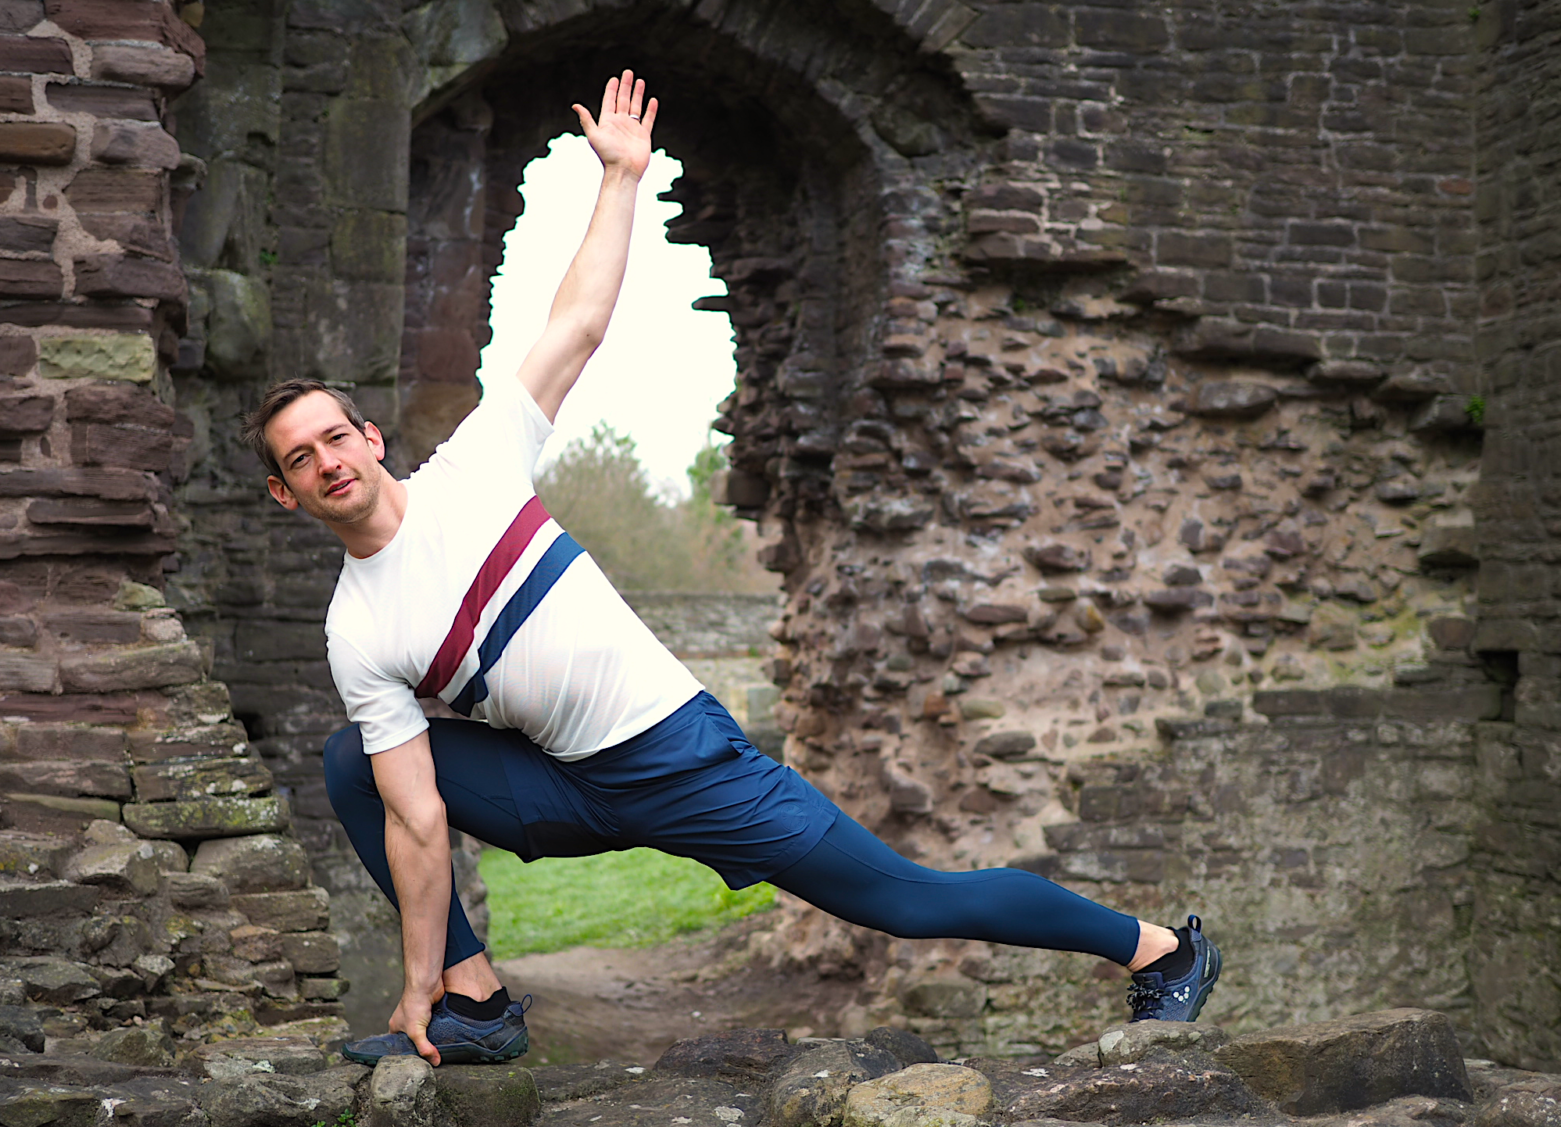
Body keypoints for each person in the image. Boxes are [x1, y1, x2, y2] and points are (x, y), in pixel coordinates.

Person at [240, 71, 1222, 1069]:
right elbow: (413, 812)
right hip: (562, 785)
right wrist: (419, 978)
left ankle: (1163, 949)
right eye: (300, 459)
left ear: (368, 436)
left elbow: (573, 326)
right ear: (288, 492)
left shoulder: (478, 463)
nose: (329, 462)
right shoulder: (356, 626)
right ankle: (477, 1002)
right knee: (348, 763)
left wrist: (620, 179)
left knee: (901, 898)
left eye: (335, 437)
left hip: (682, 762)